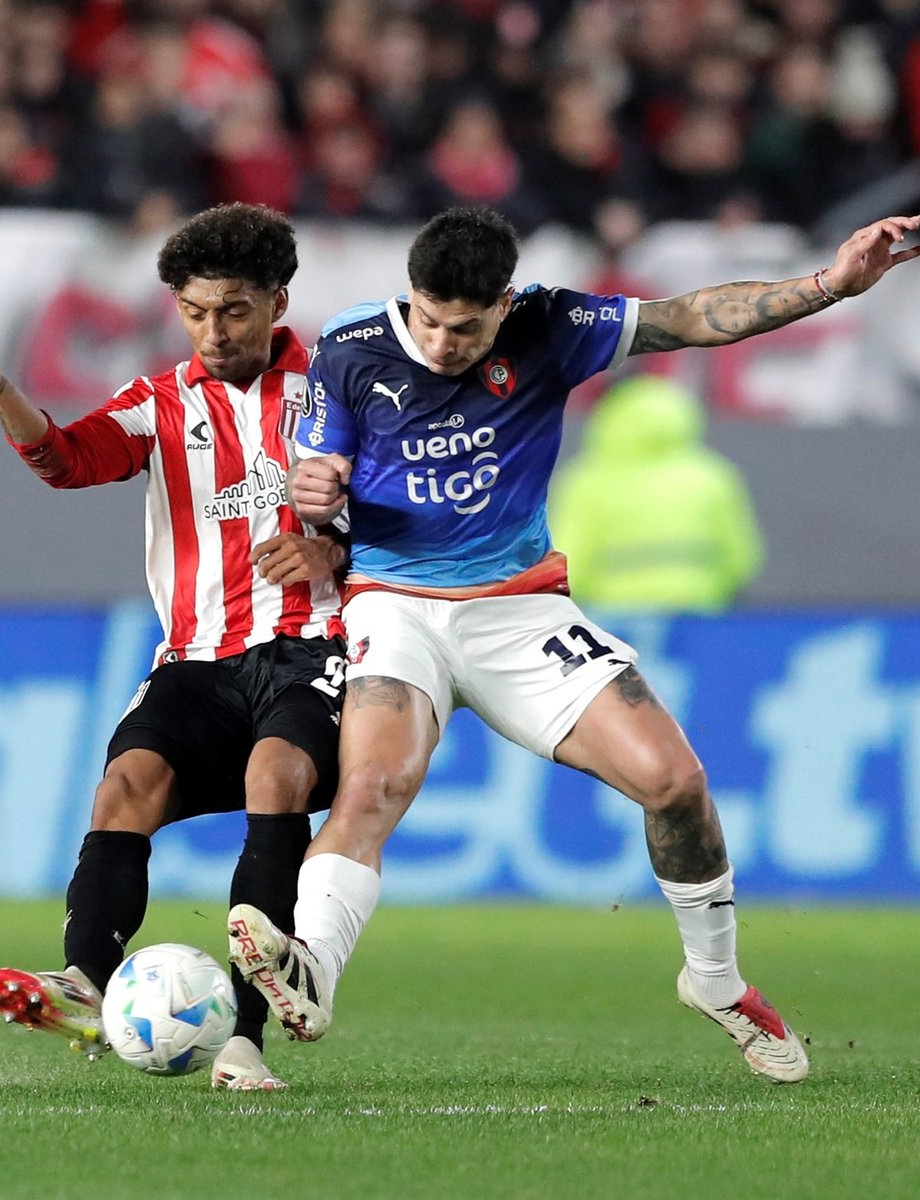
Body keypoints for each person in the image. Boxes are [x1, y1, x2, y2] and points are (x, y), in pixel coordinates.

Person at [228, 205, 920, 1084]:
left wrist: (830, 284)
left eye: (466, 327)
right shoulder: (352, 346)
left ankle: (714, 981)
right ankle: (311, 971)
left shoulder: (552, 324)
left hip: (518, 609)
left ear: (504, 304)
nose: (442, 343)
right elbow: (315, 482)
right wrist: (314, 485)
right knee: (370, 786)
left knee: (676, 784)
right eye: (429, 320)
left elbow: (689, 318)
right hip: (393, 601)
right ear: (409, 297)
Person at [0, 203, 346, 1091]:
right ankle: (85, 980)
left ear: (277, 299)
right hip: (197, 656)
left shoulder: (341, 390)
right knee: (124, 788)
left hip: (315, 645)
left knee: (276, 779)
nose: (213, 331)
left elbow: (416, 513)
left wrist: (333, 549)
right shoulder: (160, 404)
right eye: (194, 312)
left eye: (232, 310)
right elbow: (65, 460)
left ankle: (247, 1040)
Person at [550, 374, 764, 613]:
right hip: (701, 611)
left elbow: (570, 561)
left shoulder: (585, 480)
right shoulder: (713, 475)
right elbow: (742, 559)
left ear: (609, 417)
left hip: (615, 618)